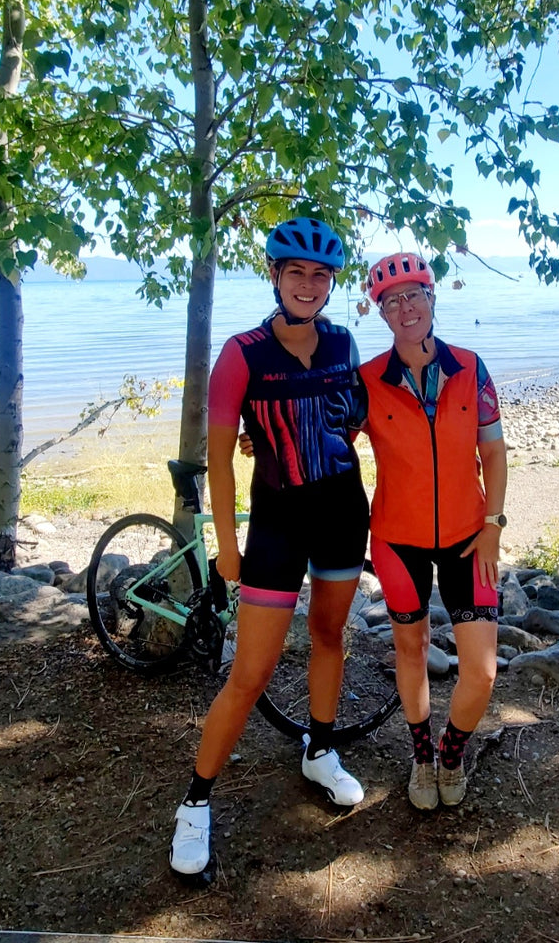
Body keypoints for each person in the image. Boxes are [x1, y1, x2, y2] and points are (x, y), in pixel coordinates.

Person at [168, 217, 370, 883]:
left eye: (320, 275)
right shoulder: (241, 353)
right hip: (277, 524)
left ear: (330, 283)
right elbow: (219, 461)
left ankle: (319, 748)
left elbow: (358, 421)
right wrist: (227, 544)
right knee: (249, 673)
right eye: (296, 273)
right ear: (275, 275)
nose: (309, 285)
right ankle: (195, 801)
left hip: (343, 512)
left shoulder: (342, 341)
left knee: (329, 635)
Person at [357, 252, 507, 810]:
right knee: (412, 647)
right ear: (382, 314)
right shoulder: (368, 379)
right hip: (398, 538)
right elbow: (328, 438)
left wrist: (493, 523)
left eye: (413, 294)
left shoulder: (471, 367)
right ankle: (422, 757)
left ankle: (451, 750)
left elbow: (492, 451)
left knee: (483, 672)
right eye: (391, 301)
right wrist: (268, 440)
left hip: (471, 537)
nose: (405, 306)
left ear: (432, 298)